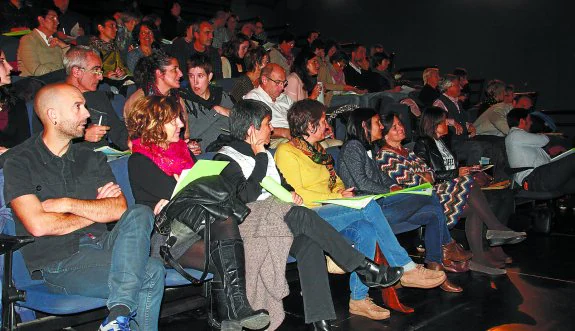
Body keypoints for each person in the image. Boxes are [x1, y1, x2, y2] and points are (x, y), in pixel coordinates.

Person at [214, 99, 405, 329]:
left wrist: (290, 194)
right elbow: (246, 197)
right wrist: (261, 157)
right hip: (254, 225)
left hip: (282, 220)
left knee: (309, 244)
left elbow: (284, 185)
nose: (272, 129)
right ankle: (364, 267)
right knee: (301, 216)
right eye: (267, 124)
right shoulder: (225, 157)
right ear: (252, 130)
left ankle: (320, 320)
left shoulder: (266, 152)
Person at [3, 83, 164, 330]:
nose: (87, 114)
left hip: (105, 246)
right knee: (151, 270)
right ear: (53, 115)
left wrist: (66, 205)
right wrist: (95, 210)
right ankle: (119, 312)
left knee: (139, 212)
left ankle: (117, 316)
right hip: (60, 261)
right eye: (77, 107)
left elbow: (118, 209)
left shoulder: (92, 157)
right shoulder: (20, 162)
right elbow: (37, 225)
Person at [275, 100, 448, 320]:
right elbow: (297, 195)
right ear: (310, 125)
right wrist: (335, 196)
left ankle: (358, 299)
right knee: (368, 203)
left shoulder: (318, 150)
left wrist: (341, 193)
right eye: (322, 120)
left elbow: (335, 181)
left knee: (366, 229)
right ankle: (405, 266)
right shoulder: (286, 151)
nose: (327, 124)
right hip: (309, 214)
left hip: (333, 208)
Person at [125, 95, 270, 331]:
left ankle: (231, 316)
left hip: (201, 226)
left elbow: (193, 192)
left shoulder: (184, 152)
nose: (181, 125)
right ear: (155, 123)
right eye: (174, 121)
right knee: (226, 232)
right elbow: (180, 197)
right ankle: (233, 313)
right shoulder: (139, 160)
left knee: (224, 227)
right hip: (168, 235)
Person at [376, 109, 525, 274]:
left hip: (432, 192)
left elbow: (430, 174)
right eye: (394, 127)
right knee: (469, 181)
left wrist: (425, 176)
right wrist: (425, 176)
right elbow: (413, 182)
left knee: (476, 206)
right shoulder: (385, 156)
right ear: (385, 135)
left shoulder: (407, 152)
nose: (401, 128)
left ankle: (479, 257)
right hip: (419, 199)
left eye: (400, 124)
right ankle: (495, 227)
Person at [338, 108, 471, 292]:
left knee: (433, 214)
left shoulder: (366, 147)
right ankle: (447, 245)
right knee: (428, 194)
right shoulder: (353, 146)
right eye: (377, 123)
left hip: (382, 204)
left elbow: (379, 177)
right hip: (371, 209)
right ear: (364, 125)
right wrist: (390, 189)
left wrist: (393, 186)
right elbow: (361, 182)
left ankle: (436, 269)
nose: (380, 127)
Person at [63, 46, 128, 150]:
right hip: (73, 161)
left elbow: (118, 132)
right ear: (76, 72)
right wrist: (83, 136)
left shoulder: (99, 97)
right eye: (95, 71)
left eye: (100, 71)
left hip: (103, 158)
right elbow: (48, 145)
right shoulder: (54, 99)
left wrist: (135, 144)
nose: (101, 77)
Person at [505, 108, 575, 194]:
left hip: (539, 176)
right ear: (522, 121)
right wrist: (541, 133)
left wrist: (549, 153)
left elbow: (530, 157)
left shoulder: (517, 137)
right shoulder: (515, 134)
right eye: (529, 120)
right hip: (533, 179)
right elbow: (544, 140)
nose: (531, 123)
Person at [180, 53, 233, 152]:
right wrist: (215, 112)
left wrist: (226, 111)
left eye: (200, 76)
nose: (195, 82)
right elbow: (191, 133)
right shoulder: (183, 100)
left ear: (209, 77)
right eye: (191, 76)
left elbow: (239, 121)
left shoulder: (220, 95)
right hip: (206, 153)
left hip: (230, 147)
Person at [244, 63, 293, 147]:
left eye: (284, 83)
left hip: (293, 135)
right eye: (278, 82)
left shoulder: (285, 98)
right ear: (264, 80)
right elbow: (255, 129)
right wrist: (284, 132)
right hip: (271, 140)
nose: (282, 87)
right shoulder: (254, 98)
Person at [17, 5, 70, 77]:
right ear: (41, 20)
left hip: (56, 81)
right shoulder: (28, 40)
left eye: (57, 18)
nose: (57, 22)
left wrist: (64, 46)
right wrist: (62, 71)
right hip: (36, 83)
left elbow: (72, 63)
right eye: (52, 18)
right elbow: (37, 70)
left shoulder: (56, 41)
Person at [0, 48, 30, 151]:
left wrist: (9, 153)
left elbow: (25, 145)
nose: (10, 67)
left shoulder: (15, 102)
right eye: (1, 62)